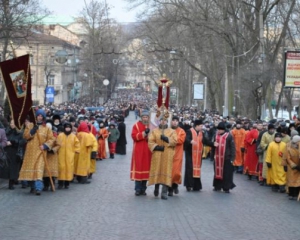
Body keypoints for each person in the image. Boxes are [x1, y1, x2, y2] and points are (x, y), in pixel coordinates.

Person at [18, 109, 55, 195]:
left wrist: (45, 145)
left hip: (40, 152)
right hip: (30, 152)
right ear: (36, 116)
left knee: (39, 169)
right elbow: (25, 136)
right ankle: (32, 187)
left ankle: (38, 188)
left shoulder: (46, 128)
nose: (40, 117)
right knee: (31, 171)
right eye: (38, 115)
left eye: (41, 116)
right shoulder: (31, 125)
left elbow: (52, 139)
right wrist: (32, 131)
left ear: (43, 117)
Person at [148, 117, 177, 200]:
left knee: (166, 171)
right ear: (159, 121)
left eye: (165, 120)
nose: (163, 122)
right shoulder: (154, 131)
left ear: (167, 121)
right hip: (157, 153)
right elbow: (150, 141)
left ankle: (164, 192)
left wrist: (167, 139)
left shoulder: (172, 131)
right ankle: (156, 187)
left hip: (167, 154)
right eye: (162, 120)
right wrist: (157, 147)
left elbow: (175, 141)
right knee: (158, 170)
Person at [184, 119, 214, 192]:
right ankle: (189, 185)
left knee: (197, 169)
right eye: (201, 126)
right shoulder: (189, 131)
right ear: (196, 126)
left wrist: (213, 144)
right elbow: (186, 139)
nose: (202, 127)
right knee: (190, 169)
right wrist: (190, 141)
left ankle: (196, 186)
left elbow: (206, 141)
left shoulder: (201, 133)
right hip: (190, 154)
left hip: (198, 154)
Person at [130, 110, 152, 196]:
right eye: (143, 117)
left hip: (148, 150)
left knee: (146, 169)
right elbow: (134, 136)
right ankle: (137, 189)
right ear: (141, 117)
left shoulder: (151, 126)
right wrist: (143, 133)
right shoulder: (136, 125)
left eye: (146, 117)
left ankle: (143, 189)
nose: (145, 118)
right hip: (139, 150)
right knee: (139, 168)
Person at [213, 122, 236, 193]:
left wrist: (232, 158)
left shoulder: (229, 136)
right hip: (217, 157)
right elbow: (213, 146)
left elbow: (233, 147)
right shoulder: (215, 136)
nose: (219, 131)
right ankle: (217, 186)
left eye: (220, 130)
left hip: (226, 157)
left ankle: (226, 187)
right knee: (217, 172)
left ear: (223, 130)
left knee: (227, 174)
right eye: (218, 129)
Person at [57, 122, 80, 189]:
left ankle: (67, 183)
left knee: (69, 168)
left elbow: (77, 144)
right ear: (64, 128)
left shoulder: (73, 136)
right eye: (66, 127)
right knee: (61, 168)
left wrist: (76, 151)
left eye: (69, 127)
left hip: (70, 155)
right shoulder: (60, 135)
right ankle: (60, 183)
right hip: (61, 155)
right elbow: (57, 144)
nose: (67, 129)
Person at [168, 116, 186, 196]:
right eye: (173, 120)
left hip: (178, 154)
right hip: (168, 154)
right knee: (168, 172)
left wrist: (170, 139)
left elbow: (181, 140)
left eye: (176, 121)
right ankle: (170, 189)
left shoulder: (181, 131)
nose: (175, 122)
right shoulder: (167, 130)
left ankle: (175, 185)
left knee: (176, 172)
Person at [282, 135, 300, 200]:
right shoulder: (288, 146)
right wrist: (294, 166)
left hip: (299, 165)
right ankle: (291, 193)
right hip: (291, 166)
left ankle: (297, 193)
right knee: (291, 180)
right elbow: (287, 158)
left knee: (298, 181)